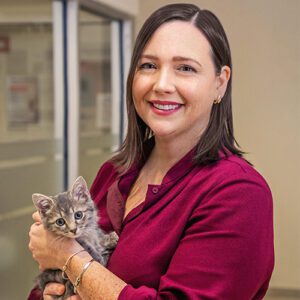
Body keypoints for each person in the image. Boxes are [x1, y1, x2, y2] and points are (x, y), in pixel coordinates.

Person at [28, 3, 274, 299]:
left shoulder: (239, 193)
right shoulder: (115, 172)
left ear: (220, 83)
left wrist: (68, 256)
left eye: (185, 68)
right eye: (148, 66)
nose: (162, 84)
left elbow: (63, 257)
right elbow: (46, 283)